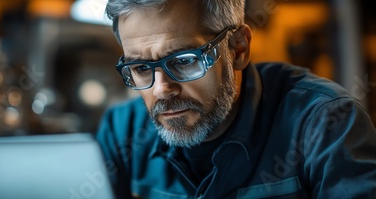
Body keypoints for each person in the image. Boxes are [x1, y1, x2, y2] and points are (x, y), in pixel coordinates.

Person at [96, 0, 376, 198]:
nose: (161, 90)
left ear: (238, 48)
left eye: (184, 60)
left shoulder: (324, 125)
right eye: (142, 68)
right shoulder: (122, 132)